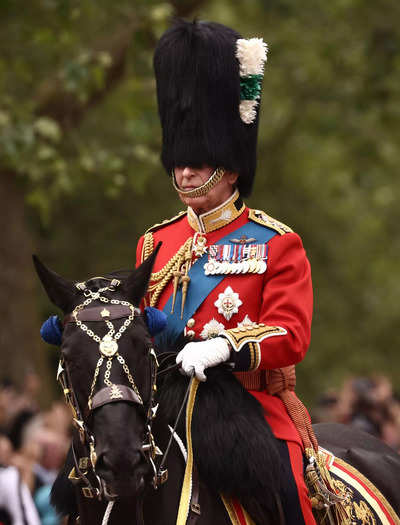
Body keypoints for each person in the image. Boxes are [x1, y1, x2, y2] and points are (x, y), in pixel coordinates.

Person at [135, 19, 315, 524]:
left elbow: (292, 333)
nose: (185, 171)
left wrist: (227, 347)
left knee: (288, 498)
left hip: (247, 409)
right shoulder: (156, 242)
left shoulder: (275, 243)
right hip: (163, 410)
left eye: (198, 160)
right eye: (179, 161)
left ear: (230, 165)